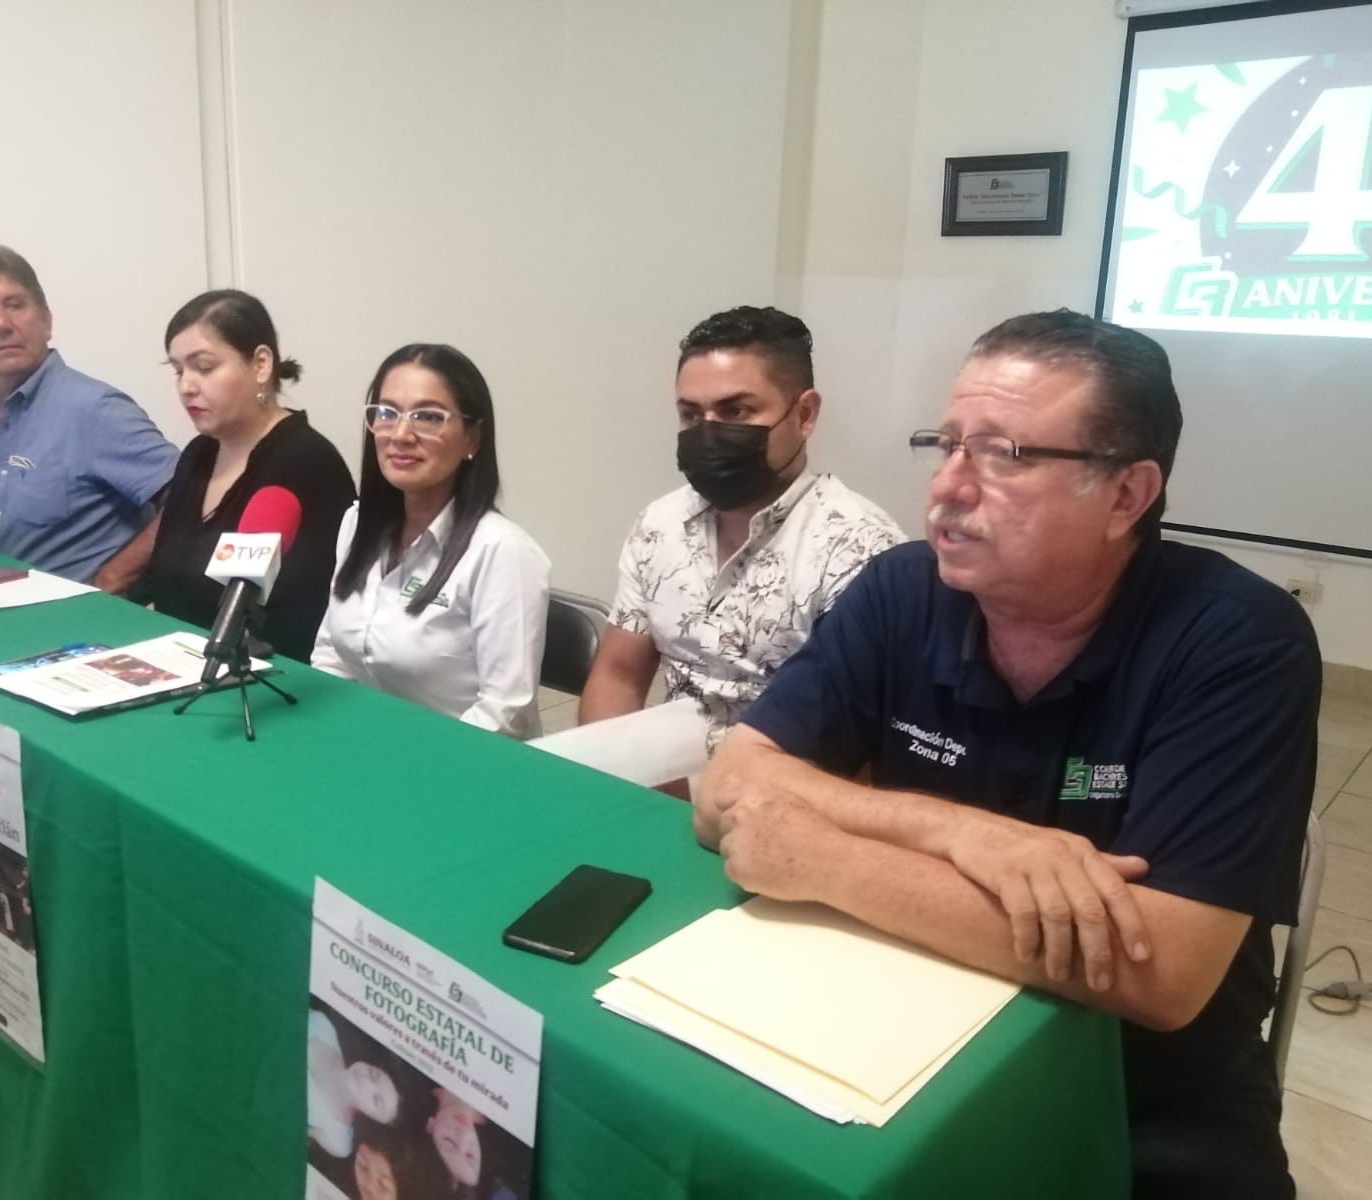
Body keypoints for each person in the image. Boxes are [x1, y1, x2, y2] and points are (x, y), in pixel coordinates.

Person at [698, 310, 1318, 1198]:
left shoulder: (1237, 639)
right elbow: (731, 782)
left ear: (1127, 495)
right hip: (904, 1013)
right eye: (947, 444)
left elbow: (1164, 972)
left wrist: (826, 859)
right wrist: (959, 833)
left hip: (1141, 1086)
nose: (947, 487)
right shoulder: (903, 589)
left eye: (1004, 455)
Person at [578, 305, 902, 751]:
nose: (709, 433)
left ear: (805, 414)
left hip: (782, 783)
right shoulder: (660, 525)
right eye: (691, 415)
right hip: (661, 775)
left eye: (736, 410)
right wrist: (609, 766)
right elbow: (619, 677)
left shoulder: (860, 551)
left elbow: (861, 742)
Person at [0, 243, 177, 590]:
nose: (1, 324)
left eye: (14, 305)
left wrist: (114, 576)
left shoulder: (97, 410)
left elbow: (192, 499)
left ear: (46, 320)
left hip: (76, 614)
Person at [311, 344, 549, 738]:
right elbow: (331, 657)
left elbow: (506, 715)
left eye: (428, 417)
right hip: (366, 743)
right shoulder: (358, 523)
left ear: (472, 439)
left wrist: (410, 761)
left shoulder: (502, 552)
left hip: (465, 761)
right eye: (387, 413)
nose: (401, 434)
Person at [136, 290, 354, 659]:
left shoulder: (308, 463)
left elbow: (304, 619)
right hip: (178, 659)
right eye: (178, 370)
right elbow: (163, 581)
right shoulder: (198, 454)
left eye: (204, 367)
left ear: (261, 365)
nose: (186, 386)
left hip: (267, 673)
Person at [307, 1009, 402, 1160]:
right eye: (373, 1074)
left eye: (376, 1100)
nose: (365, 1081)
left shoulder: (338, 1140)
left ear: (373, 1119)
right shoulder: (323, 1025)